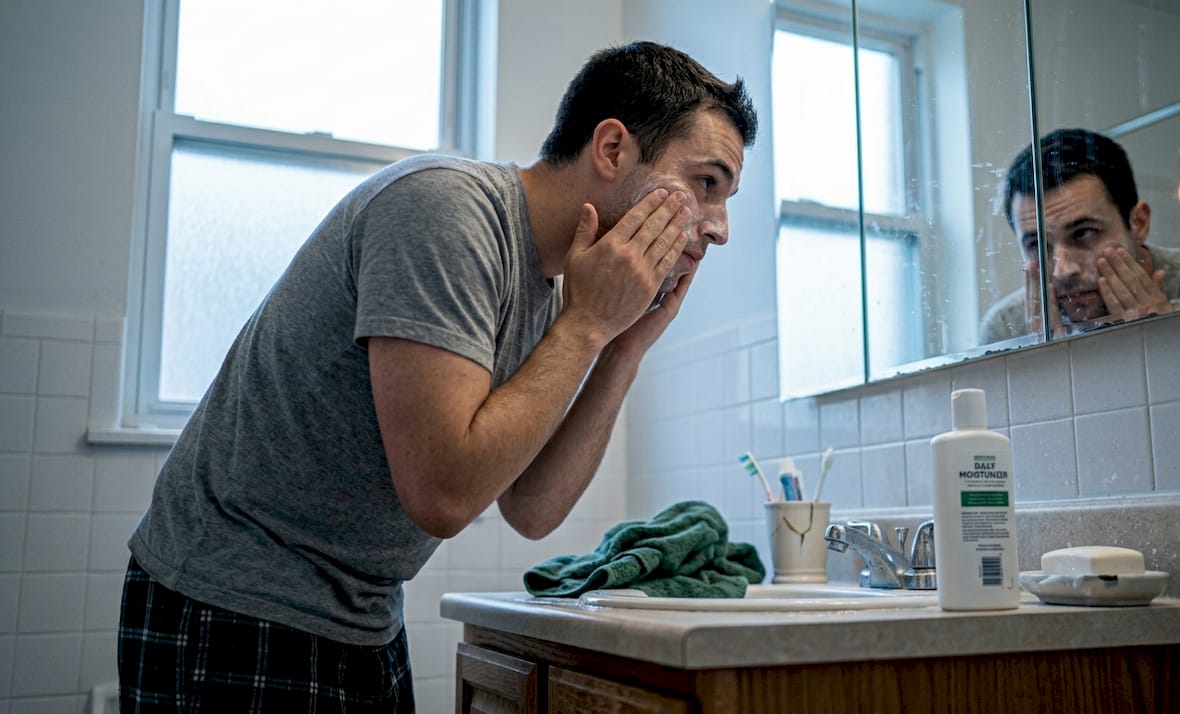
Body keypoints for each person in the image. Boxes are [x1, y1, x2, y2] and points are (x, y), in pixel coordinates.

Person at [117, 41, 757, 711]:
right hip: (235, 602)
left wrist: (622, 348)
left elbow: (532, 509)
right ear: (612, 150)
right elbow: (444, 494)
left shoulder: (558, 284)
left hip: (362, 618)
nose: (719, 229)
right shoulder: (445, 211)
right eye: (706, 184)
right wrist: (587, 327)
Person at [979, 128, 1180, 343]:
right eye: (1035, 244)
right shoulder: (1005, 328)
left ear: (1139, 223)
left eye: (1083, 233)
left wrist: (1166, 340)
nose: (1063, 270)